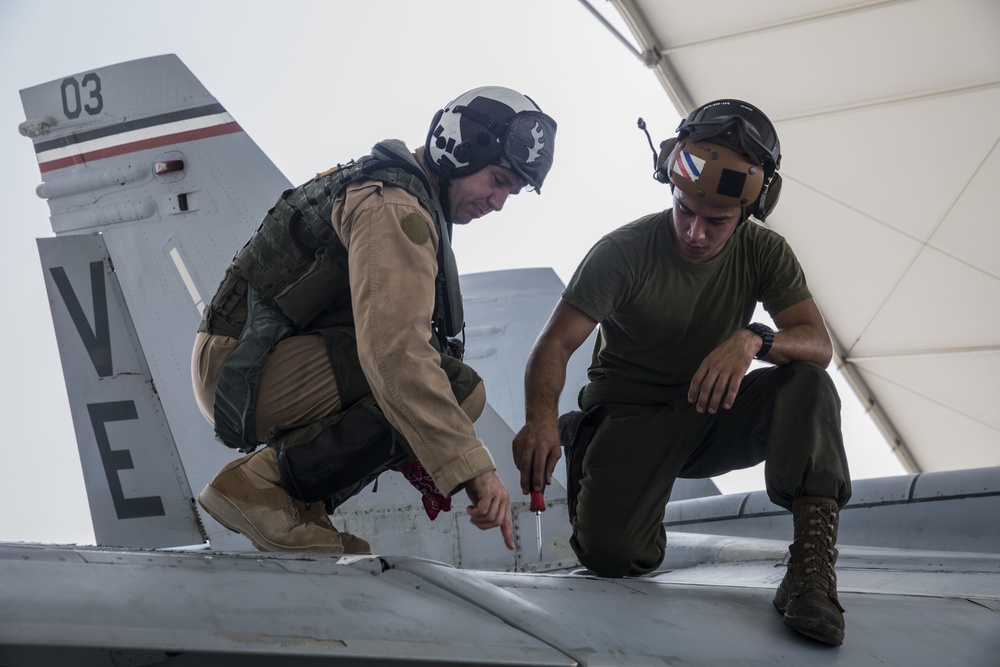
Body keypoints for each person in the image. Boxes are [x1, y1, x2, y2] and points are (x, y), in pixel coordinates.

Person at [512, 99, 851, 646]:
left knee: (808, 382)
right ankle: (591, 448)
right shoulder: (623, 252)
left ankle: (811, 575)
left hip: (713, 409)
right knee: (615, 559)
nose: (694, 232)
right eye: (683, 210)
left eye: (715, 221)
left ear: (748, 211)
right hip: (631, 418)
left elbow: (817, 344)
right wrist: (541, 421)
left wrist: (753, 339)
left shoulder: (765, 252)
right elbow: (555, 343)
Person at [192, 86, 557, 557]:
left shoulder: (406, 198)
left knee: (442, 381)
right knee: (457, 389)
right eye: (498, 180)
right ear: (460, 149)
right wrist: (475, 468)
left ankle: (295, 503)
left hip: (258, 363)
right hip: (244, 372)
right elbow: (394, 353)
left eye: (511, 189)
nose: (499, 201)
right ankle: (262, 486)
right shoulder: (395, 206)